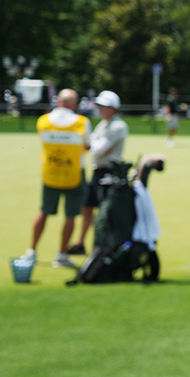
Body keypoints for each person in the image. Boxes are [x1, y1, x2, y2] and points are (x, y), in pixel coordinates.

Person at [26, 89, 90, 269]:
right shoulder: (82, 122)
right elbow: (87, 146)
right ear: (75, 104)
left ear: (58, 102)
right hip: (74, 173)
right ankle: (61, 255)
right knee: (70, 215)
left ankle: (31, 251)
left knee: (44, 211)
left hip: (51, 172)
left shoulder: (43, 121)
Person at [69, 89, 128, 255]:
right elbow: (92, 144)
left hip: (109, 172)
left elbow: (96, 149)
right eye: (100, 105)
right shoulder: (103, 124)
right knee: (87, 207)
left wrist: (93, 144)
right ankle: (81, 243)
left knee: (104, 211)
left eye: (105, 106)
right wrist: (93, 144)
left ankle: (103, 244)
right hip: (98, 171)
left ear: (114, 108)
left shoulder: (117, 126)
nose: (101, 109)